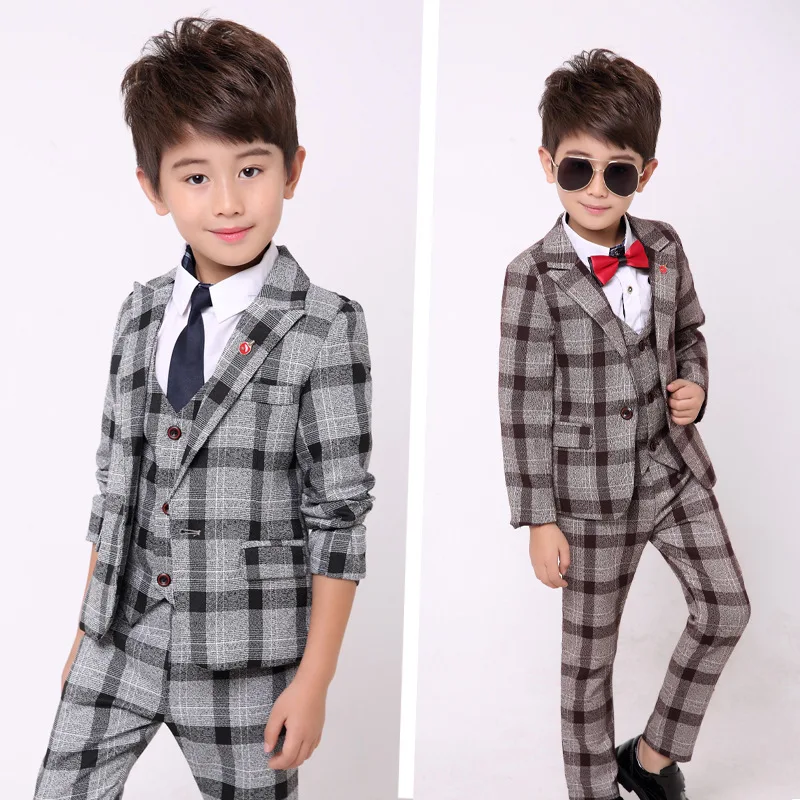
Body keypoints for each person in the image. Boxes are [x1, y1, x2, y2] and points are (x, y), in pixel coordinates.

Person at [34, 17, 375, 800]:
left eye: (250, 169)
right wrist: (87, 632)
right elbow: (114, 488)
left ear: (292, 170)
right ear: (153, 188)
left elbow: (339, 516)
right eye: (195, 177)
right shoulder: (139, 313)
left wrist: (313, 681)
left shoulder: (325, 326)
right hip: (120, 633)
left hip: (244, 659)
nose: (227, 201)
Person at [498, 48, 749, 800]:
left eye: (619, 172)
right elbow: (521, 404)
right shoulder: (531, 274)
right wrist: (539, 518)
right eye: (579, 168)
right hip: (587, 497)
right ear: (548, 164)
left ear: (647, 172)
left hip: (672, 470)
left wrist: (694, 386)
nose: (597, 188)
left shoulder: (664, 246)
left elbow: (691, 332)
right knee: (588, 664)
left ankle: (652, 755)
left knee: (727, 607)